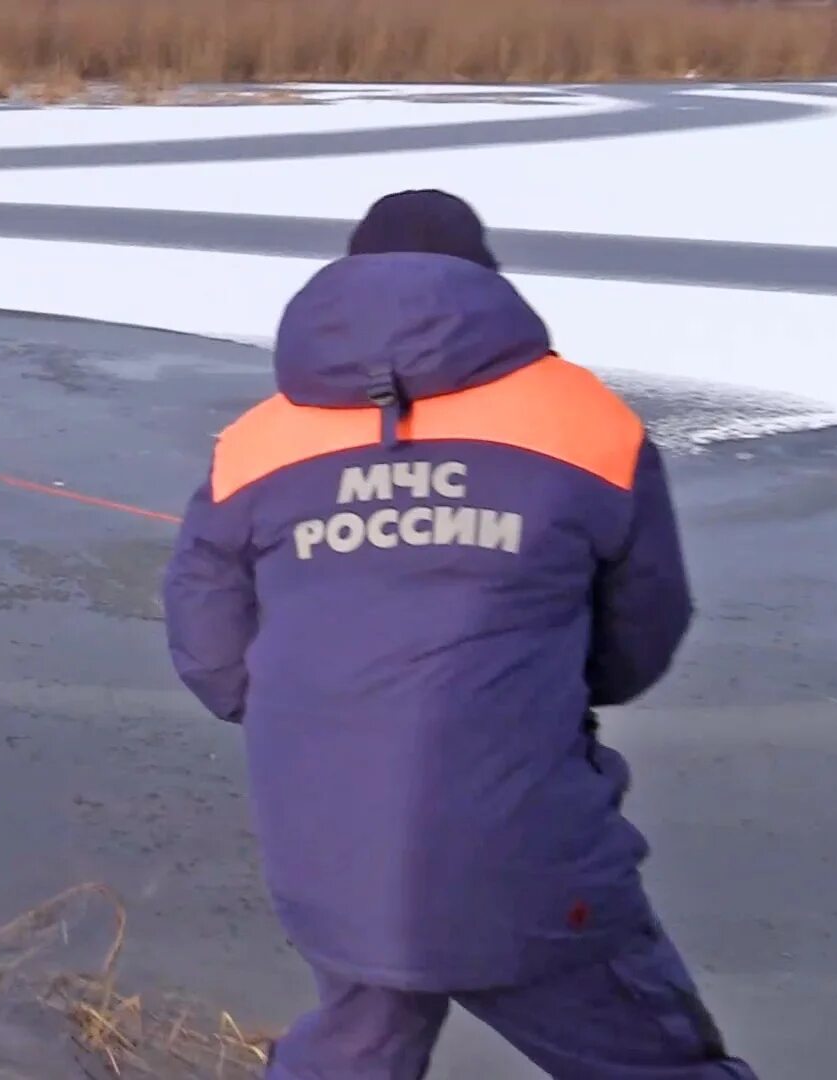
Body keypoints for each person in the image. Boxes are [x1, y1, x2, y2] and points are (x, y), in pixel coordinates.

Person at [160, 190, 756, 1079]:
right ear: (486, 283)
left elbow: (209, 647)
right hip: (528, 851)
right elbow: (640, 637)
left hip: (332, 849)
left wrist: (333, 709)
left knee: (357, 1043)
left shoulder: (258, 442)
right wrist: (521, 690)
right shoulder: (585, 421)